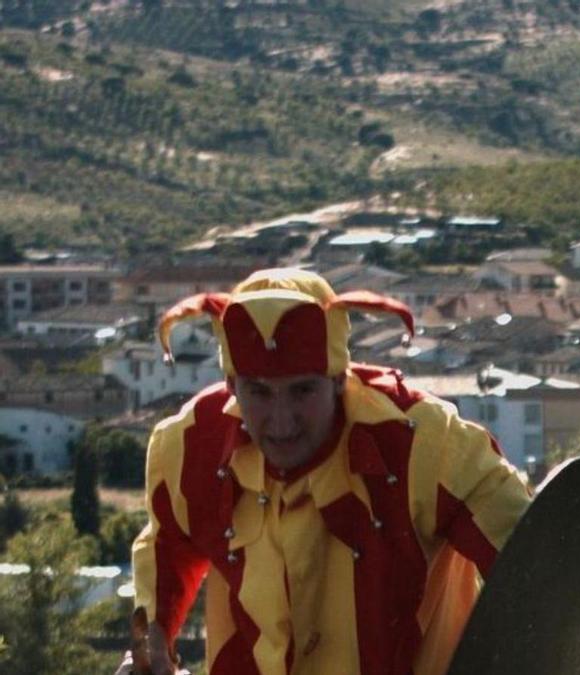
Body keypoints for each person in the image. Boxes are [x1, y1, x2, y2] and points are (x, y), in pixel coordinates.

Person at [115, 268, 533, 675]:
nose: (281, 421)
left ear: (338, 379)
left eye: (302, 390)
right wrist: (153, 637)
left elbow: (533, 557)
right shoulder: (191, 446)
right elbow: (167, 545)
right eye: (258, 392)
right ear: (231, 385)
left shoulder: (424, 442)